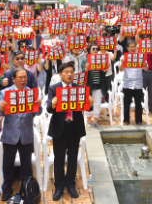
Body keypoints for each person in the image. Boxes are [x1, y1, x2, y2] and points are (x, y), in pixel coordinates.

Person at [47, 63, 93, 201]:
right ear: (60, 74)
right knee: (59, 158)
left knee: (73, 158)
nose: (69, 74)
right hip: (59, 128)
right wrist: (53, 104)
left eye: (71, 72)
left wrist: (90, 103)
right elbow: (49, 109)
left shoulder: (80, 89)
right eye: (66, 72)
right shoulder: (54, 89)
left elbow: (87, 107)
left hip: (74, 127)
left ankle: (71, 184)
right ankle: (59, 186)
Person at [0, 68, 42, 201]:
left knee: (26, 165)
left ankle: (27, 189)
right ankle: (7, 188)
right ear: (14, 79)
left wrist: (38, 106)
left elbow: (37, 113)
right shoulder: (5, 93)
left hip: (26, 134)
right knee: (7, 164)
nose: (23, 80)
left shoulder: (31, 93)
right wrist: (1, 107)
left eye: (25, 77)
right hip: (10, 134)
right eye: (20, 77)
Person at [119, 39, 147, 125]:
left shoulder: (140, 57)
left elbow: (146, 68)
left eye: (134, 46)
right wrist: (122, 63)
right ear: (127, 48)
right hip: (127, 84)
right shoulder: (124, 57)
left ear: (136, 47)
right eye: (131, 47)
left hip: (138, 84)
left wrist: (145, 64)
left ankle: (138, 121)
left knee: (138, 104)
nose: (132, 48)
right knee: (126, 104)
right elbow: (120, 70)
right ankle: (126, 120)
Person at [83, 43, 110, 127]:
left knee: (97, 104)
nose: (95, 51)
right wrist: (86, 69)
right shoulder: (85, 60)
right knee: (88, 103)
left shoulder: (101, 59)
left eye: (97, 49)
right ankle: (89, 121)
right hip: (89, 85)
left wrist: (105, 69)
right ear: (89, 50)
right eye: (93, 49)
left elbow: (104, 72)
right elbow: (83, 73)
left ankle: (95, 121)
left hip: (99, 85)